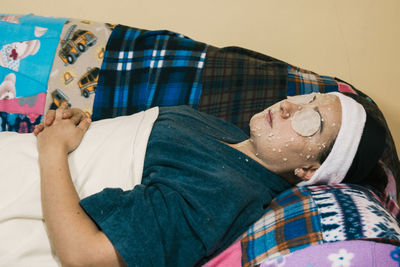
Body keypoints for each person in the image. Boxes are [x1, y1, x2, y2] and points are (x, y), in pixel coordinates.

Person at [1, 92, 385, 266]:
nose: (289, 106)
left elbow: (84, 257)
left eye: (308, 121)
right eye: (308, 99)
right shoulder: (226, 136)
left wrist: (53, 150)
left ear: (309, 171)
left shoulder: (223, 194)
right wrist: (78, 130)